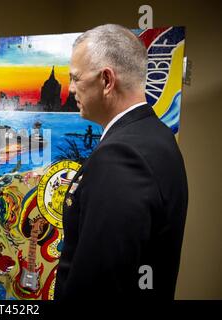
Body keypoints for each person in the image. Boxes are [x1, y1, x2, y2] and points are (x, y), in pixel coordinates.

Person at [54, 24, 188, 300]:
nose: (71, 88)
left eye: (76, 78)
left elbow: (98, 284)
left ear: (106, 80)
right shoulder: (159, 137)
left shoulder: (120, 156)